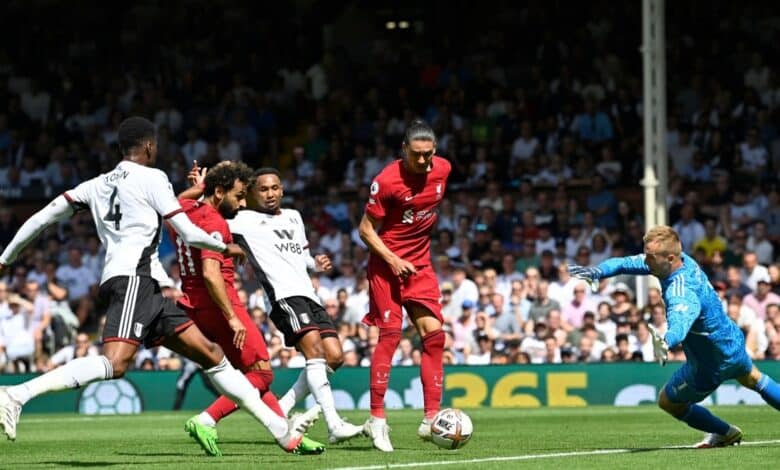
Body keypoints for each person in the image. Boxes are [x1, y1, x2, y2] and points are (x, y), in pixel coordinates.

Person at [0, 117, 317, 454]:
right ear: (150, 147)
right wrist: (225, 246)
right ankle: (17, 394)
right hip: (133, 280)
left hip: (147, 287)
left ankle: (283, 432)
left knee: (212, 356)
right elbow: (189, 232)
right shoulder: (153, 178)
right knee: (115, 364)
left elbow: (43, 216)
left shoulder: (93, 185)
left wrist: (5, 258)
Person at [180, 164, 363, 446]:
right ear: (252, 193)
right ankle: (333, 424)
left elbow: (302, 255)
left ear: (282, 189)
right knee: (307, 355)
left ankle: (285, 409)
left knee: (334, 357)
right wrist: (204, 194)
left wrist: (316, 263)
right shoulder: (242, 219)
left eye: (274, 188)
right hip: (282, 296)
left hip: (309, 294)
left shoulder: (294, 217)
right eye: (262, 189)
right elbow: (200, 221)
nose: (269, 194)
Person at [569, 225, 780, 447]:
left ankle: (724, 432)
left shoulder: (680, 290)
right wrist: (598, 272)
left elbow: (681, 320)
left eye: (650, 256)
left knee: (668, 401)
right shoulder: (679, 261)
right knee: (755, 379)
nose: (646, 260)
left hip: (710, 363)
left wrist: (666, 341)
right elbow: (623, 262)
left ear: (669, 258)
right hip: (732, 342)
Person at [358, 119, 451, 452]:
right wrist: (394, 259)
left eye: (428, 154)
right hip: (386, 266)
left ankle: (431, 418)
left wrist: (410, 258)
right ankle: (377, 419)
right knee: (391, 335)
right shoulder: (386, 180)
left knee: (435, 338)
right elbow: (365, 229)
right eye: (417, 155)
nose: (423, 161)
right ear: (404, 151)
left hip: (421, 265)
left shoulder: (443, 170)